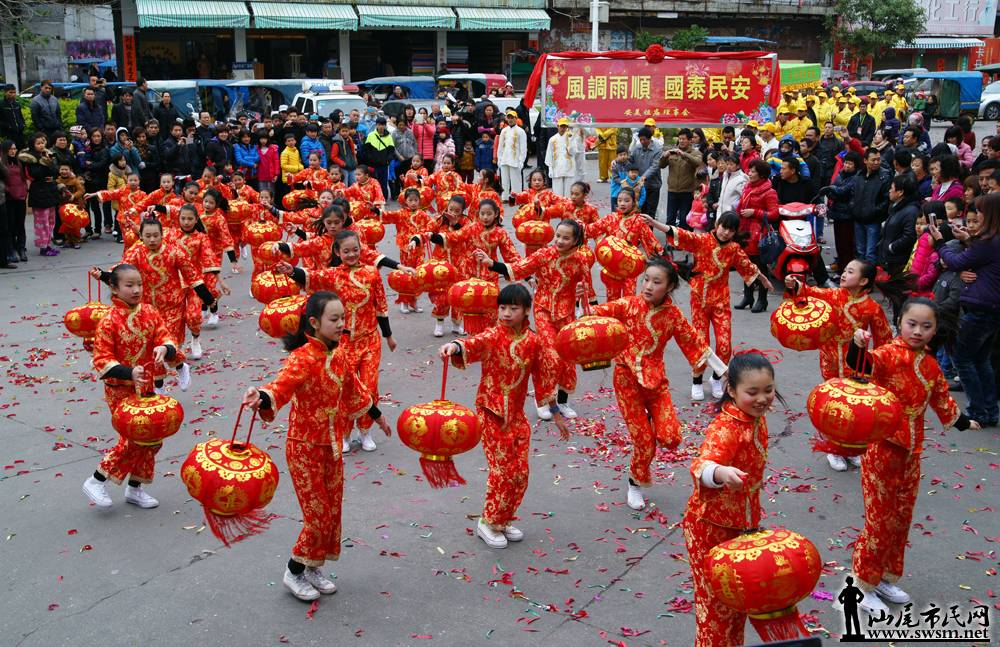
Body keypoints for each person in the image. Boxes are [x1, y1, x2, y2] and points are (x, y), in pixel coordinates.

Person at [242, 291, 390, 601]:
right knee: (318, 515)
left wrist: (376, 416)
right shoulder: (302, 357)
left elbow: (353, 390)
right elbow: (280, 386)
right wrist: (263, 397)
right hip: (304, 448)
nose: (341, 325)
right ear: (314, 322)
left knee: (332, 511)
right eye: (334, 319)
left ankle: (313, 565)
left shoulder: (340, 353)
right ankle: (294, 570)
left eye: (342, 318)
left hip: (332, 446)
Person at [847, 299, 978, 614]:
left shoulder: (931, 365)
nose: (918, 331)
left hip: (911, 453)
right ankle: (863, 584)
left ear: (935, 330)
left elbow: (942, 400)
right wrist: (857, 345)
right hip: (882, 450)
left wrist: (963, 421)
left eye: (926, 326)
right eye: (912, 324)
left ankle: (885, 577)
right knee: (879, 521)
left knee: (901, 519)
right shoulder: (888, 355)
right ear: (899, 322)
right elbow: (864, 365)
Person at [440, 283, 569, 548]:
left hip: (517, 417)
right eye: (502, 307)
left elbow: (543, 377)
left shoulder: (533, 342)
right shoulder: (493, 336)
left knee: (520, 472)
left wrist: (555, 412)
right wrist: (455, 345)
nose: (507, 313)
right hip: (491, 413)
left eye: (513, 308)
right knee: (502, 471)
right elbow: (474, 343)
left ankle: (503, 519)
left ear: (526, 311)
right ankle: (487, 523)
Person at [683, 351, 782, 647]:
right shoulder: (726, 427)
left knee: (737, 605)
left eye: (768, 390)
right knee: (716, 610)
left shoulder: (754, 418)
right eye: (752, 392)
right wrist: (720, 472)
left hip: (742, 527)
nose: (762, 398)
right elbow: (701, 465)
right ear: (731, 390)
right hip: (710, 530)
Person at [83, 264, 187, 509]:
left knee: (153, 438)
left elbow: (166, 336)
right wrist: (130, 372)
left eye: (139, 284)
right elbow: (101, 360)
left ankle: (135, 488)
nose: (136, 289)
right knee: (132, 438)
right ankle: (96, 479)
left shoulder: (150, 312)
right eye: (129, 285)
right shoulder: (108, 321)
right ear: (115, 289)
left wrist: (165, 348)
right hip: (120, 388)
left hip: (147, 385)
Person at [784, 259, 897, 471]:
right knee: (832, 402)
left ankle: (849, 448)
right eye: (844, 270)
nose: (844, 274)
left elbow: (884, 339)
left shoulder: (872, 308)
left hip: (855, 361)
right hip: (829, 357)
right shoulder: (834, 295)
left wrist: (881, 361)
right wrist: (795, 285)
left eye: (850, 272)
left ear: (863, 281)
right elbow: (811, 292)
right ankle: (831, 448)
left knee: (853, 404)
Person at [647, 212, 773, 400]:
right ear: (717, 224)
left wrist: (763, 280)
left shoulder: (734, 249)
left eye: (730, 230)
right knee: (700, 342)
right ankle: (697, 381)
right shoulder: (703, 240)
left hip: (721, 302)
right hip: (699, 300)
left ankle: (716, 378)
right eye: (723, 227)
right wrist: (654, 223)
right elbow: (681, 234)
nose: (725, 232)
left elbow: (747, 266)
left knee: (724, 344)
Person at [477, 220, 590, 420]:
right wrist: (491, 264)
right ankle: (544, 400)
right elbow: (519, 268)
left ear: (575, 241)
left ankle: (563, 401)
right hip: (544, 310)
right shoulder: (544, 254)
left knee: (567, 357)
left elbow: (585, 286)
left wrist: (585, 303)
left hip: (567, 314)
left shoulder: (581, 260)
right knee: (550, 356)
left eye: (566, 238)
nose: (560, 241)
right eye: (558, 236)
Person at [929, 193, 1000, 426]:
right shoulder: (990, 241)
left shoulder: (989, 242)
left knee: (964, 358)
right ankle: (988, 410)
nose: (976, 215)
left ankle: (979, 410)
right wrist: (968, 240)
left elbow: (957, 262)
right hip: (990, 307)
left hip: (981, 307)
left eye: (980, 211)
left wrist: (940, 242)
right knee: (980, 359)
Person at [735, 159, 779, 313]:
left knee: (759, 267)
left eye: (753, 171)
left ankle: (762, 299)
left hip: (759, 233)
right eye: (750, 170)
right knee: (745, 265)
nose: (749, 173)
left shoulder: (769, 192)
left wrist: (755, 212)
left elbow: (774, 214)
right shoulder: (748, 187)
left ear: (761, 175)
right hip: (745, 232)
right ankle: (748, 296)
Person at [19, 133, 61, 256]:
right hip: (39, 190)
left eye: (42, 142)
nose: (41, 145)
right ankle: (43, 246)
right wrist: (44, 163)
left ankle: (48, 244)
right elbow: (35, 174)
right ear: (33, 145)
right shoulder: (30, 158)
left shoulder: (48, 154)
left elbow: (55, 171)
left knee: (51, 220)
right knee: (42, 221)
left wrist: (49, 161)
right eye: (38, 143)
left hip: (50, 190)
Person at [661, 129, 703, 229]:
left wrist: (684, 155)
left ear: (690, 140)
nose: (681, 141)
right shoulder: (672, 151)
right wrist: (664, 156)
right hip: (672, 191)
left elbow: (697, 162)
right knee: (670, 219)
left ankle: (683, 243)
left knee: (684, 220)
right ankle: (670, 243)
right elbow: (661, 165)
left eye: (684, 139)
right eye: (680, 139)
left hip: (687, 192)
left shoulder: (695, 152)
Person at [879, 174, 921, 276]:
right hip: (890, 258)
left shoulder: (911, 211)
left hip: (899, 260)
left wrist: (892, 247)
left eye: (892, 188)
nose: (889, 191)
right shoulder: (897, 207)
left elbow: (909, 236)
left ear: (900, 192)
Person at [630, 127, 663, 218]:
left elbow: (655, 166)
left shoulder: (657, 149)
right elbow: (630, 160)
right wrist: (618, 161)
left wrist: (643, 177)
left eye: (644, 140)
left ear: (649, 138)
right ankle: (641, 232)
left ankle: (649, 232)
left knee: (650, 212)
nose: (642, 142)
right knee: (640, 211)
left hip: (653, 186)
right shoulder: (637, 148)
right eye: (640, 139)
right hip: (640, 186)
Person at [495, 110, 527, 201]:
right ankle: (505, 197)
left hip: (515, 160)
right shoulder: (504, 131)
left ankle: (516, 198)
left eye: (512, 117)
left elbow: (523, 148)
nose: (510, 119)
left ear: (516, 119)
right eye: (508, 117)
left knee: (515, 180)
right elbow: (500, 146)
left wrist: (521, 161)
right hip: (505, 159)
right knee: (504, 180)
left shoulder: (521, 131)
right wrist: (499, 159)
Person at [361, 117, 395, 200]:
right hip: (373, 165)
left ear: (385, 126)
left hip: (384, 165)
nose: (381, 127)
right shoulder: (371, 135)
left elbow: (391, 150)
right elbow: (366, 150)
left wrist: (388, 160)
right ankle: (374, 197)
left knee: (383, 182)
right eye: (379, 125)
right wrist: (370, 160)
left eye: (383, 125)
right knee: (374, 182)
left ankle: (384, 197)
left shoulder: (389, 136)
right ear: (376, 125)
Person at [0, 85, 26, 149]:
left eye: (14, 92)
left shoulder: (17, 104)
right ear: (5, 92)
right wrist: (9, 126)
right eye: (10, 92)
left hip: (20, 132)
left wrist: (23, 124)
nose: (13, 94)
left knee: (22, 150)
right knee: (11, 152)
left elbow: (20, 116)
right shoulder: (1, 105)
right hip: (8, 134)